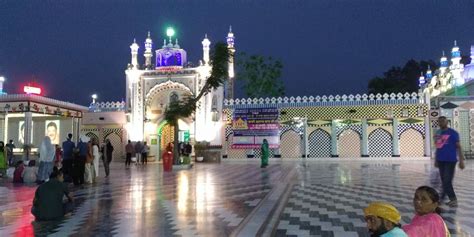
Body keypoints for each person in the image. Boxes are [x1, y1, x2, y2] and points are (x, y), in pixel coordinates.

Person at [434, 116, 465, 207]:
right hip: (441, 160)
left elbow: (459, 147)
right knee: (444, 181)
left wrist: (461, 160)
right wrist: (436, 160)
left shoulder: (453, 133)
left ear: (447, 122)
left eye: (443, 121)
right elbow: (438, 148)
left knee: (447, 181)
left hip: (450, 160)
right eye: (439, 121)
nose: (441, 123)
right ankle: (442, 199)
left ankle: (453, 199)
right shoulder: (438, 133)